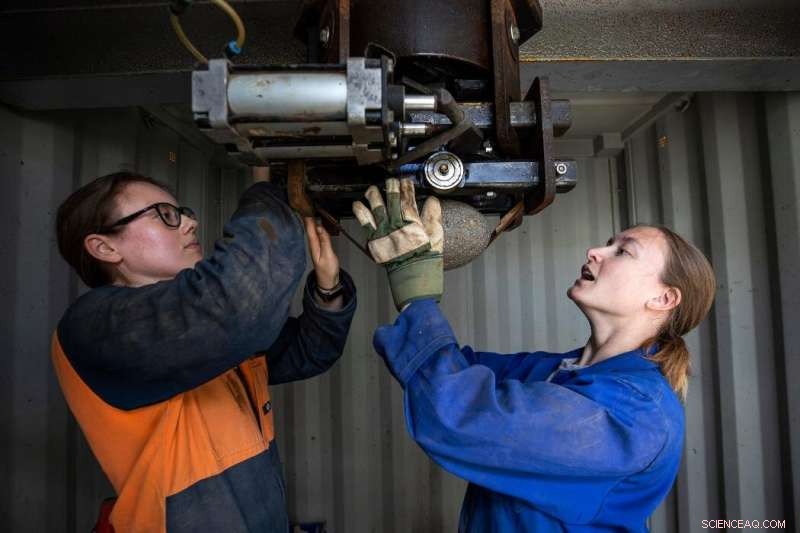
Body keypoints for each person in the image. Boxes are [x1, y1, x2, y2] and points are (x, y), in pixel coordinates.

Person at [353, 178, 716, 532]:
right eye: (609, 244)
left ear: (664, 298)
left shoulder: (634, 413)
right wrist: (418, 282)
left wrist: (416, 295)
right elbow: (447, 370)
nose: (595, 251)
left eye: (622, 251)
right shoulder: (560, 370)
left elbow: (458, 413)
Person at [52, 171, 357, 532]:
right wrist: (272, 190)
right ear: (105, 248)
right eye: (166, 215)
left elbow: (309, 351)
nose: (190, 223)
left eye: (183, 212)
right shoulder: (96, 327)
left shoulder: (199, 331)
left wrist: (328, 287)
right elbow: (238, 303)